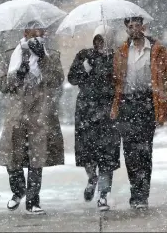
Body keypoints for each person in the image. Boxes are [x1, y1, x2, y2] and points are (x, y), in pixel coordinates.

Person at [110, 17, 167, 210]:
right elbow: (114, 78)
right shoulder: (122, 51)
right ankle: (136, 192)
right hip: (127, 104)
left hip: (147, 104)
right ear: (126, 29)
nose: (133, 29)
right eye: (129, 26)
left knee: (144, 151)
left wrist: (165, 96)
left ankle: (142, 195)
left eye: (136, 25)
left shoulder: (158, 50)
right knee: (130, 152)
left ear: (144, 26)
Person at [0, 21, 65, 215]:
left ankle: (33, 201)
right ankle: (18, 190)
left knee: (37, 158)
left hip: (40, 112)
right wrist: (17, 76)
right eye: (37, 29)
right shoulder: (10, 55)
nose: (41, 33)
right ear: (26, 32)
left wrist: (43, 58)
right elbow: (2, 86)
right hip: (16, 114)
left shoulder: (51, 55)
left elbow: (57, 80)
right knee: (13, 157)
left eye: (42, 29)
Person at [67, 24, 121, 211]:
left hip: (108, 112)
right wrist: (84, 69)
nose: (100, 43)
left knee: (107, 156)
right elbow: (72, 78)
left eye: (104, 40)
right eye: (97, 39)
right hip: (86, 112)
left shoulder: (117, 58)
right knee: (87, 152)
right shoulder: (84, 55)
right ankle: (92, 178)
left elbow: (121, 81)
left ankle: (103, 194)